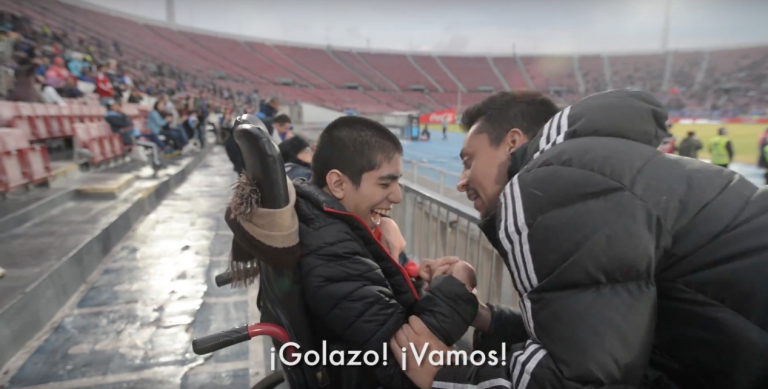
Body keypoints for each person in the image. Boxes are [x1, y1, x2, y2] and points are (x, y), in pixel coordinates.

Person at [391, 90, 768, 389]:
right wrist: (484, 317)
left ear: (513, 142)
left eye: (469, 160)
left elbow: (583, 379)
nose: (461, 179)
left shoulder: (549, 183)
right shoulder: (588, 170)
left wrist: (444, 371)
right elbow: (599, 340)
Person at [267, 116, 480, 389]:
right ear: (338, 185)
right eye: (384, 184)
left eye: (397, 182)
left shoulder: (324, 229)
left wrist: (429, 288)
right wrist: (455, 289)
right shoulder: (332, 255)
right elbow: (406, 371)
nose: (397, 196)